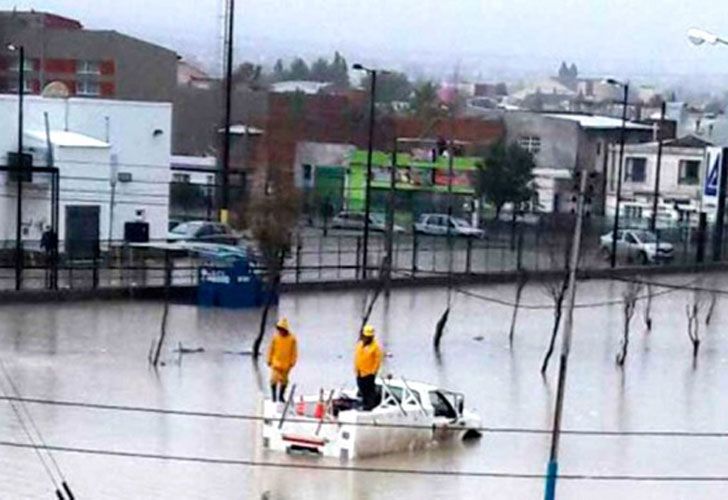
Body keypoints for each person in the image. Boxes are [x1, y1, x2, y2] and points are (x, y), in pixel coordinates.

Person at [267, 317, 298, 403]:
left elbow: (294, 352)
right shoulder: (275, 338)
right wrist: (269, 359)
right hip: (275, 363)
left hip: (286, 365)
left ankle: (281, 396)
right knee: (273, 380)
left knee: (284, 381)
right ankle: (273, 396)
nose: (280, 331)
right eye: (279, 329)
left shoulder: (292, 339)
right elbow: (271, 349)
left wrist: (292, 362)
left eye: (282, 329)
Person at [354, 324, 383, 411]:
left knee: (369, 392)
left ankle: (369, 407)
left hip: (368, 373)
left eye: (368, 336)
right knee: (362, 390)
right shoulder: (360, 344)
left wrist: (373, 372)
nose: (366, 338)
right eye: (365, 336)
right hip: (359, 372)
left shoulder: (375, 347)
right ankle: (364, 404)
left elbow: (377, 361)